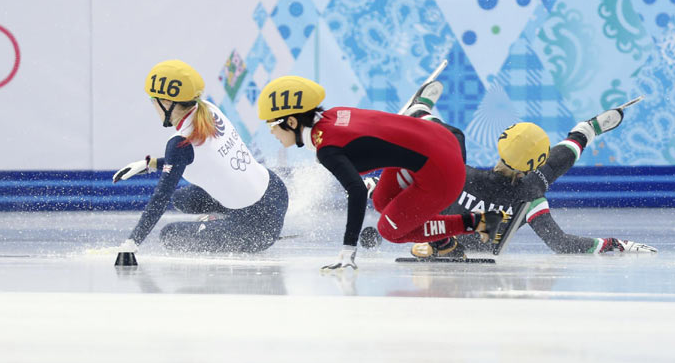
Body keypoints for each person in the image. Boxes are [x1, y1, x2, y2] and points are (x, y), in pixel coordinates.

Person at [256, 76, 521, 270]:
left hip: (442, 172)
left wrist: (348, 251)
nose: (271, 132)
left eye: (273, 125)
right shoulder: (335, 115)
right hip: (440, 139)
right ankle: (421, 110)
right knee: (382, 202)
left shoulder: (326, 147)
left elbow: (356, 191)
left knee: (389, 231)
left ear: (292, 121)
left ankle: (477, 222)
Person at [372, 81, 658, 258]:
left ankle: (420, 111)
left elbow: (411, 190)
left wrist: (374, 188)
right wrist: (613, 244)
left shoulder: (462, 176)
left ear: (501, 143)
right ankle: (585, 131)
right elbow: (560, 243)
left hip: (439, 234)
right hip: (479, 238)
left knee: (446, 148)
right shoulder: (532, 194)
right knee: (544, 175)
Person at [112, 60, 289, 256]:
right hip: (275, 190)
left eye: (152, 99)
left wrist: (132, 243)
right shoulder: (207, 109)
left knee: (169, 235)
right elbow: (203, 160)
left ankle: (229, 227)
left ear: (167, 102)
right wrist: (150, 164)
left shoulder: (180, 142)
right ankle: (222, 223)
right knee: (182, 198)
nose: (153, 105)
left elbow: (160, 198)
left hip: (256, 229)